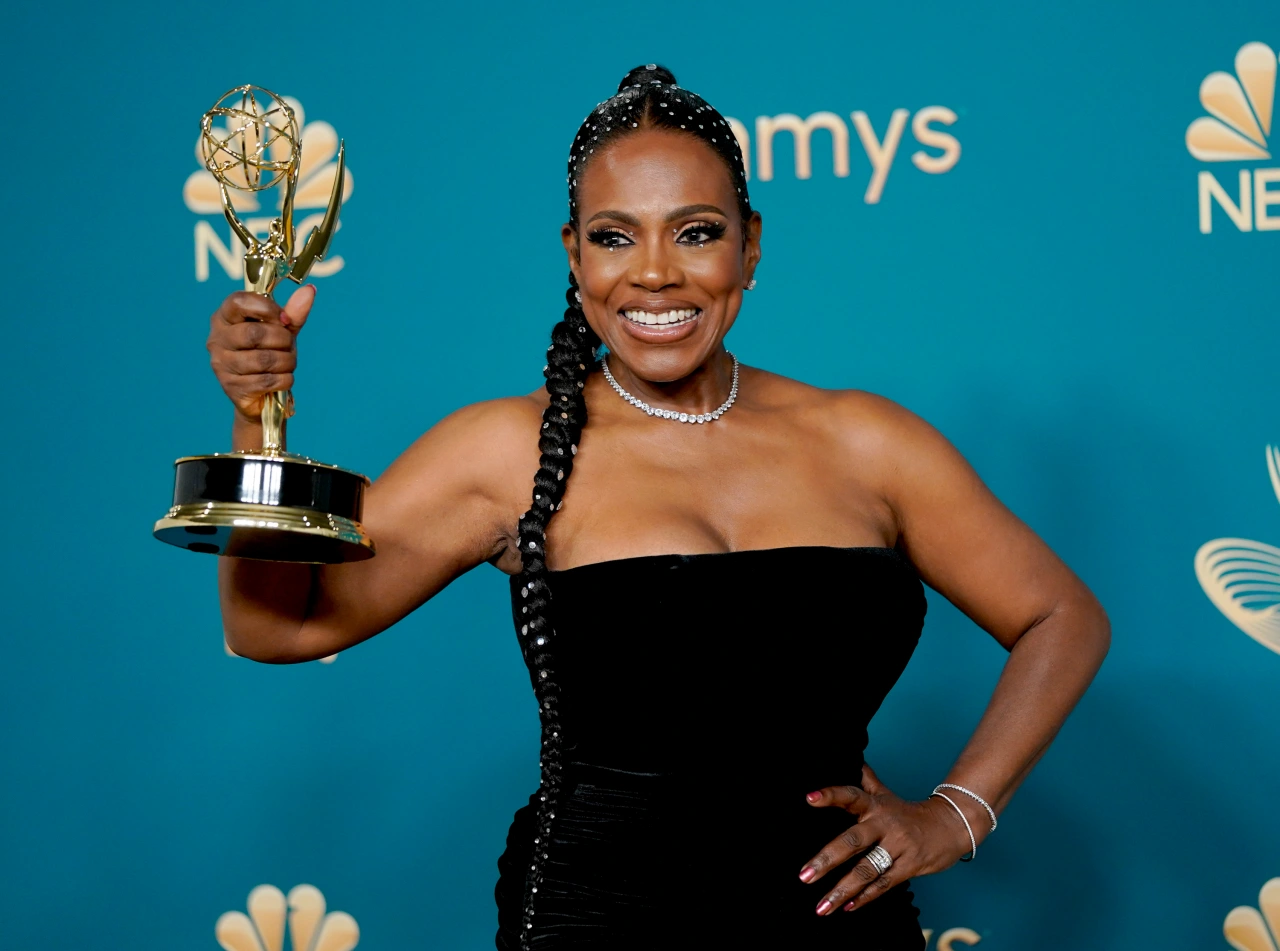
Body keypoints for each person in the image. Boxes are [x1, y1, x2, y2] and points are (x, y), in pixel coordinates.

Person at [208, 64, 1110, 950]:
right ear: (573, 254)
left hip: (838, 922)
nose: (653, 275)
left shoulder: (869, 442)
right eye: (614, 237)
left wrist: (958, 813)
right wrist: (256, 423)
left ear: (750, 245)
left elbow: (1061, 616)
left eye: (695, 232)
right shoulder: (501, 450)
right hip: (594, 918)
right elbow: (276, 626)